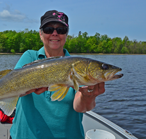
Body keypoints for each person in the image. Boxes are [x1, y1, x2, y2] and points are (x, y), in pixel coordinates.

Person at [10, 10, 105, 139]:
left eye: (61, 30)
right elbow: (12, 85)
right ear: (41, 34)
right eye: (49, 29)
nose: (55, 33)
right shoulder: (30, 57)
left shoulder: (77, 66)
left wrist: (88, 96)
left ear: (66, 34)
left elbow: (80, 107)